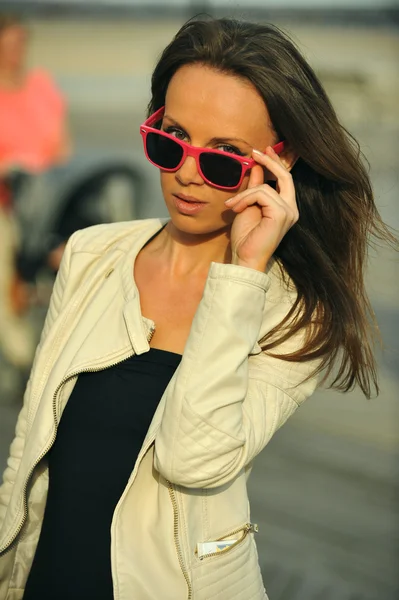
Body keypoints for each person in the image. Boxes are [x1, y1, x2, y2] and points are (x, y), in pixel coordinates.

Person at [0, 16, 394, 600]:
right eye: (171, 139)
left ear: (278, 164)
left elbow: (192, 458)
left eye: (224, 158)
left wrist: (242, 275)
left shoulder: (297, 314)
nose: (186, 173)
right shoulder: (92, 254)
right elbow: (29, 444)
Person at [0, 13, 71, 371]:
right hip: (5, 200)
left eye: (20, 43)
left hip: (45, 193)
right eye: (8, 44)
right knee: (4, 262)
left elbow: (61, 147)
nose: (15, 51)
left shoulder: (41, 86)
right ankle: (22, 357)